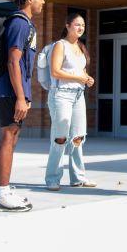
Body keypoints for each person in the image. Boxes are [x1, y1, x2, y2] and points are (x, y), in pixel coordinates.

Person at [0, 0, 43, 212]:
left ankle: (1, 189)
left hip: (16, 90)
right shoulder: (20, 24)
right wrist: (21, 97)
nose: (43, 1)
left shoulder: (25, 24)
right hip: (11, 90)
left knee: (12, 136)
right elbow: (13, 61)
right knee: (8, 137)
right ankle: (1, 193)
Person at [44, 13, 96, 191]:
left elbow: (79, 73)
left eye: (83, 25)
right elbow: (55, 72)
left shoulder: (81, 47)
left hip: (78, 95)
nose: (80, 28)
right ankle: (53, 178)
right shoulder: (60, 45)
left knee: (78, 137)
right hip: (61, 95)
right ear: (67, 25)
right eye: (77, 25)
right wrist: (79, 77)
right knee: (60, 137)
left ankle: (78, 177)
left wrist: (87, 78)